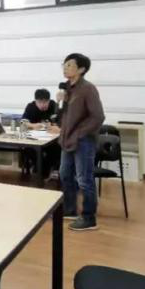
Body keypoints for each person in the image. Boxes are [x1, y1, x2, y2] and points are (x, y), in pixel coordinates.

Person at [52, 54, 105, 232]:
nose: (65, 68)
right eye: (64, 64)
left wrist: (79, 134)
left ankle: (89, 218)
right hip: (67, 139)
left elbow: (98, 117)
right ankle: (70, 210)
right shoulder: (67, 89)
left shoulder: (88, 89)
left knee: (84, 179)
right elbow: (61, 117)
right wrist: (60, 102)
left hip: (83, 141)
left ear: (81, 69)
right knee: (65, 174)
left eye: (69, 65)